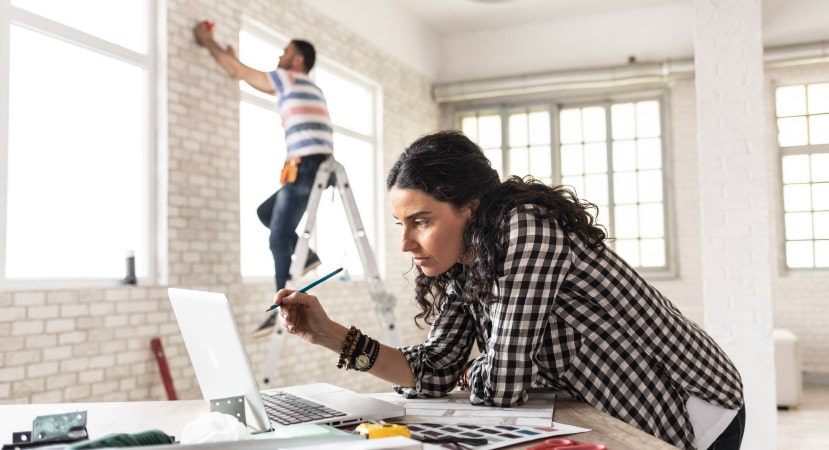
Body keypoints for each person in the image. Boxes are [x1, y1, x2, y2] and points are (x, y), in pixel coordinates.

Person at [274, 130, 745, 450]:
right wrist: (331, 334)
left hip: (693, 401)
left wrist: (478, 368)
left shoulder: (527, 229)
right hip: (620, 399)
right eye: (400, 223)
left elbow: (501, 387)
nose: (404, 243)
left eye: (421, 221)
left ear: (471, 208)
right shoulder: (464, 261)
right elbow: (436, 369)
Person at [193, 21, 330, 338]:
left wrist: (208, 42)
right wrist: (231, 59)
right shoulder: (307, 86)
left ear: (297, 60)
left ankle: (284, 307)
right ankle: (306, 255)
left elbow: (242, 73)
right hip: (312, 167)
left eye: (285, 52)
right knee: (265, 214)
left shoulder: (290, 78)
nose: (280, 55)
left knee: (277, 238)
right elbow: (243, 73)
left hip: (307, 165)